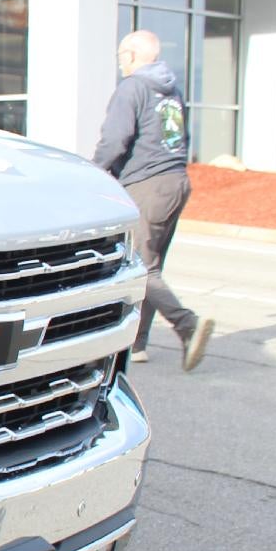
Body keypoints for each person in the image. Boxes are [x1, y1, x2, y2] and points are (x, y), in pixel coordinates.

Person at [92, 30, 216, 371]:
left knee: (139, 267)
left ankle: (187, 326)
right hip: (176, 181)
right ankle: (139, 342)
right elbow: (181, 136)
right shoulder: (171, 91)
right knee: (152, 264)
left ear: (132, 55)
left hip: (146, 183)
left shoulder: (132, 87)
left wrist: (95, 173)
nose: (120, 62)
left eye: (121, 55)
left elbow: (116, 139)